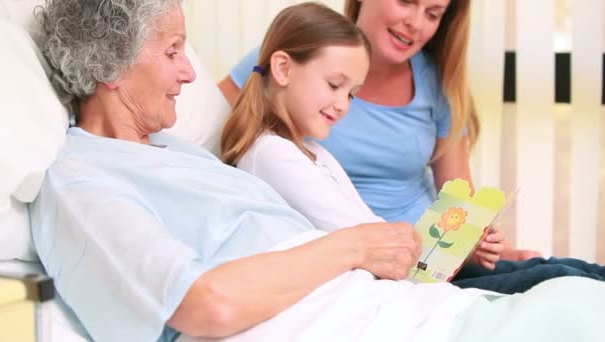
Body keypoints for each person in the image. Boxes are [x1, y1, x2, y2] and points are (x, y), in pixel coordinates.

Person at [31, 1, 605, 341]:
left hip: (414, 309)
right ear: (109, 64)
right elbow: (207, 305)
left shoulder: (179, 153)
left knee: (578, 296)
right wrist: (355, 248)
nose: (190, 75)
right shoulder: (82, 180)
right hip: (381, 320)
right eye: (175, 50)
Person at [217, 0, 605, 294]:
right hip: (403, 266)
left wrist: (485, 247)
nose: (416, 23)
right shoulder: (291, 63)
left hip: (425, 256)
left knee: (565, 271)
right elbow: (208, 130)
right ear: (282, 69)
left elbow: (457, 204)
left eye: (433, 13)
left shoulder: (433, 86)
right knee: (560, 283)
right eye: (406, 0)